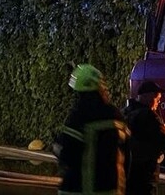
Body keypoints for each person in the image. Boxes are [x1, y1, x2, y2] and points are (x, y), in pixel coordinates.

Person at [55, 64, 130, 195]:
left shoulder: (78, 117)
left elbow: (67, 153)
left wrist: (56, 147)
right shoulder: (115, 115)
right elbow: (127, 152)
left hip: (78, 189)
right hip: (110, 190)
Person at [123, 81, 165, 195]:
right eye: (157, 98)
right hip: (145, 174)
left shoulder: (126, 112)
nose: (159, 102)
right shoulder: (149, 116)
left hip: (128, 173)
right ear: (148, 96)